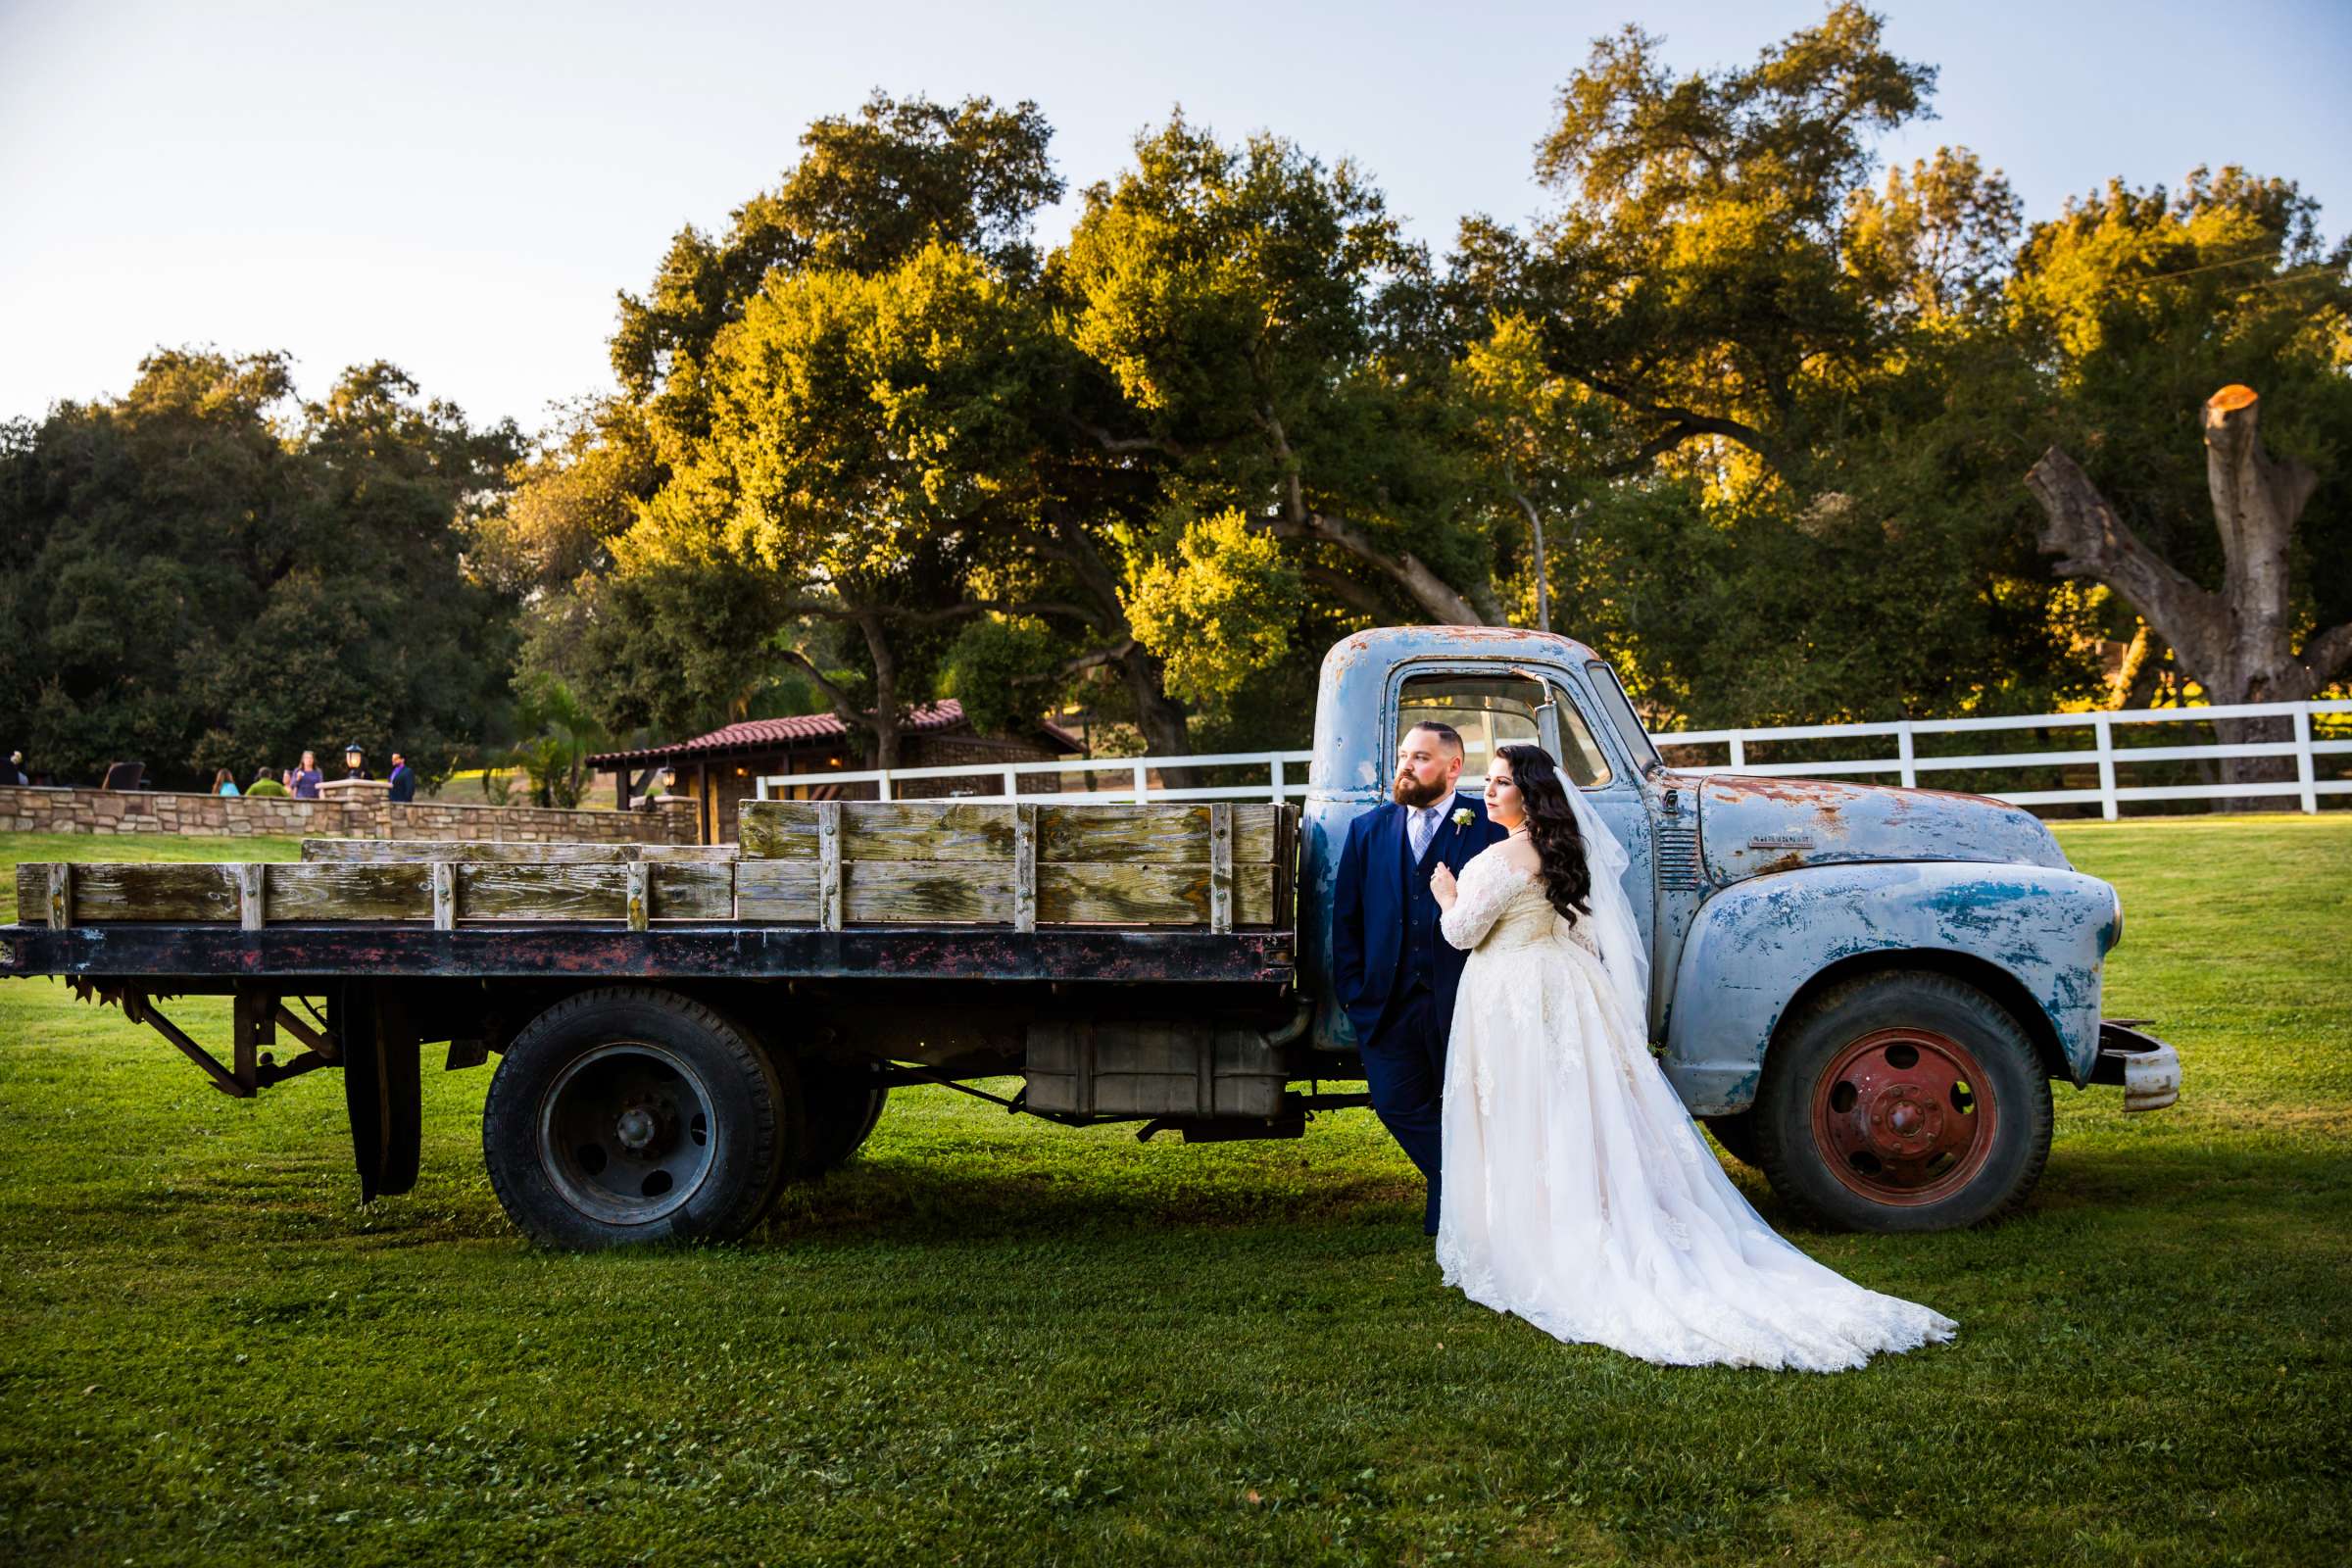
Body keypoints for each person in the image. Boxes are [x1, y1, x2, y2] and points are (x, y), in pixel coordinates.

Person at [1429, 744, 1957, 1371]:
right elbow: (1584, 933)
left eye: (1500, 782)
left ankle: (1535, 1234)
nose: (1489, 793)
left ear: (1530, 793)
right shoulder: (1563, 853)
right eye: (1488, 782)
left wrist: (1446, 896)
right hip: (1564, 989)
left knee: (1524, 1111)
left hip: (1513, 995)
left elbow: (1463, 934)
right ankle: (1579, 1211)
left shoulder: (1497, 859)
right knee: (1571, 1108)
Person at [1330, 721, 1509, 1235]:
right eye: (1405, 754)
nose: (1406, 765)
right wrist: (1355, 995)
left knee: (1466, 1107)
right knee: (1396, 1104)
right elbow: (1347, 919)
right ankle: (1480, 1190)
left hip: (1464, 998)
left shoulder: (1487, 828)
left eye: (1422, 758)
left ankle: (1450, 1213)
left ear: (1455, 768)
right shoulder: (1368, 829)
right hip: (1386, 1004)